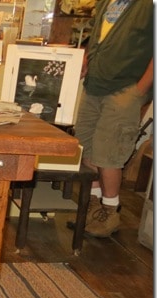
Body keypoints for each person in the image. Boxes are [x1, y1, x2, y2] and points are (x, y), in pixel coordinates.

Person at [73, 0, 153, 237]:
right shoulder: (107, 2)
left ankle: (110, 209)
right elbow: (98, 34)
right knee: (87, 147)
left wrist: (140, 89)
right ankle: (94, 206)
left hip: (125, 88)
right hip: (95, 85)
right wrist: (87, 58)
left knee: (109, 152)